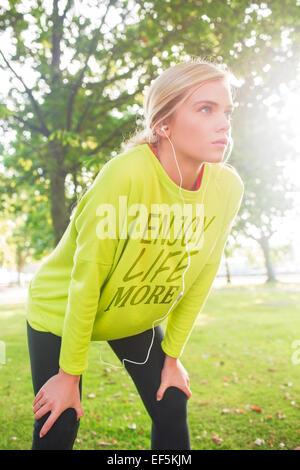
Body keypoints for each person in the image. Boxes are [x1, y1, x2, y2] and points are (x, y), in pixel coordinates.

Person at [26, 57, 244, 450]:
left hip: (130, 314)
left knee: (171, 402)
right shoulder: (125, 175)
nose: (224, 122)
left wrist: (172, 357)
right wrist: (69, 376)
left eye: (226, 110)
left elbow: (204, 272)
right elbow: (86, 277)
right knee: (59, 422)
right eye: (206, 109)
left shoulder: (227, 187)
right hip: (62, 308)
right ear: (164, 124)